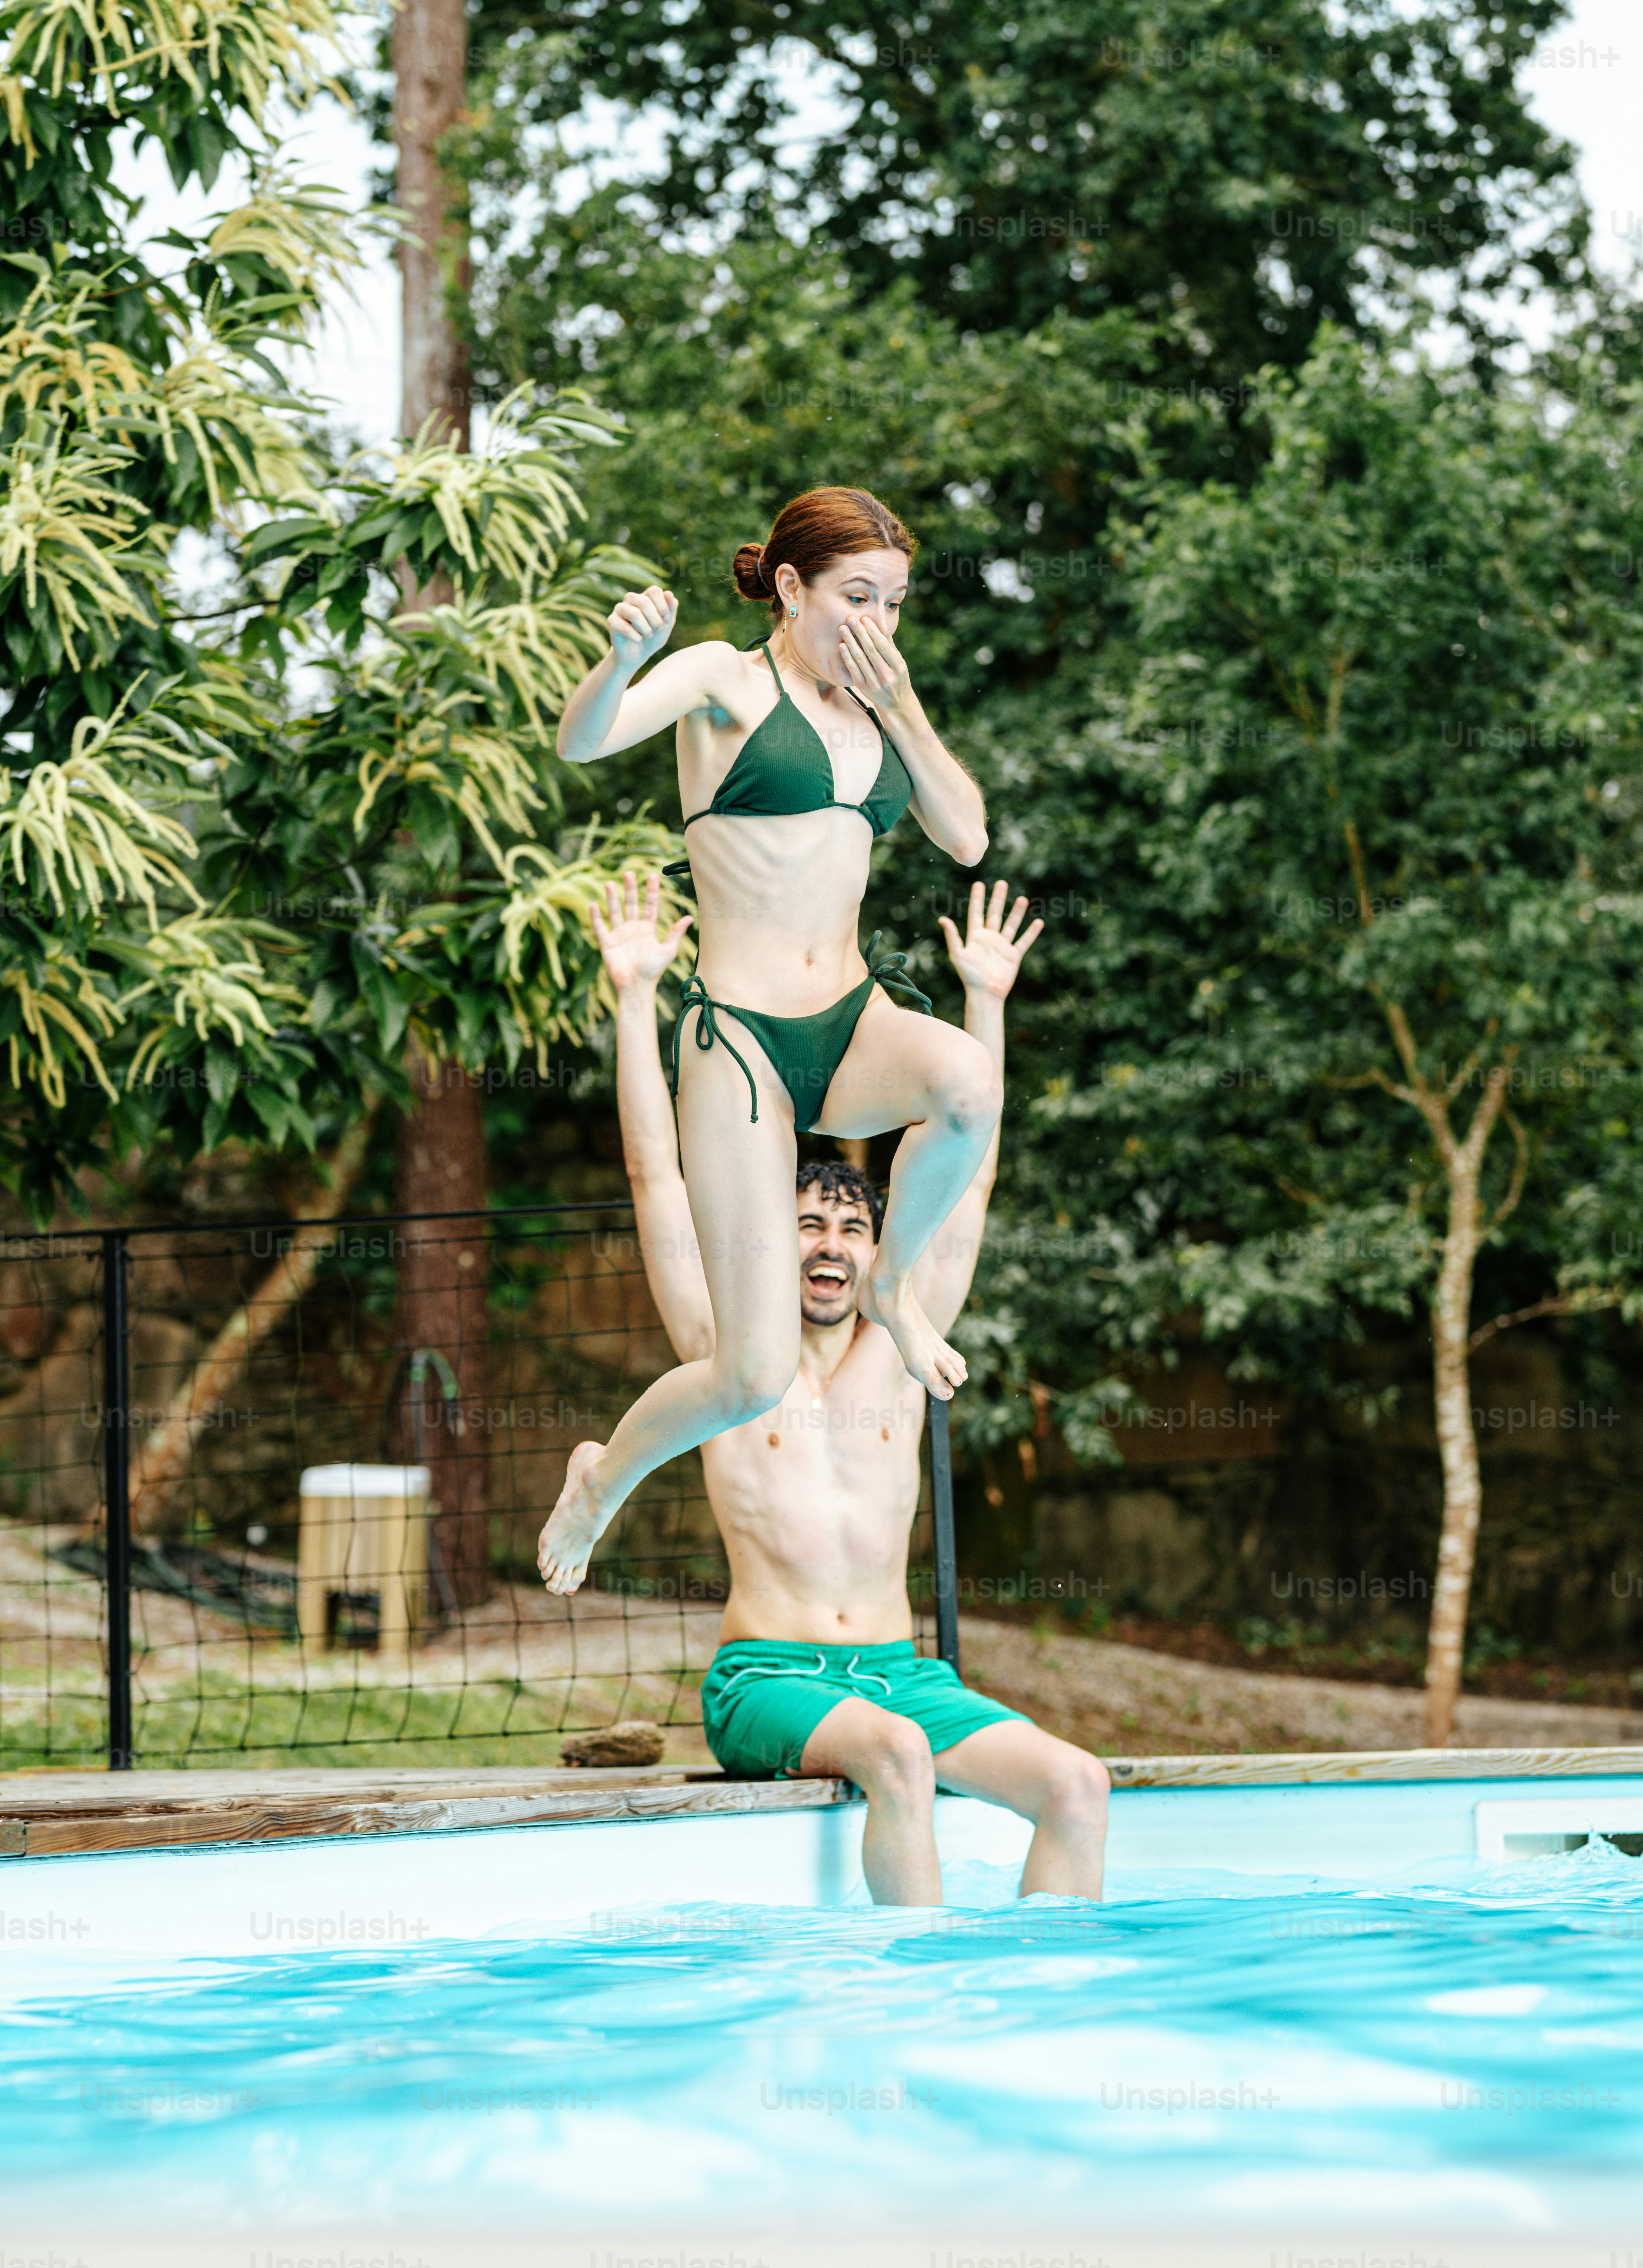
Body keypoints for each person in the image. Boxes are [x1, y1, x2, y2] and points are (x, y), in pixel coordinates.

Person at [562, 868, 1110, 1906]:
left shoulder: (906, 1349)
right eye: (808, 1221)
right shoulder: (729, 1348)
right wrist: (638, 1000)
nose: (832, 1243)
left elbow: (973, 1169)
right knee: (896, 1756)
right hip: (770, 1679)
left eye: (854, 1227)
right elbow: (656, 1176)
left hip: (905, 1680)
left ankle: (1045, 2012)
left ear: (876, 1252)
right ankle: (914, 2004)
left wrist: (985, 1002)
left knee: (1078, 1786)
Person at [538, 488, 1001, 1595]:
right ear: (791, 589)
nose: (877, 622)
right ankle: (604, 1478)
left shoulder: (881, 709)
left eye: (893, 602)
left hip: (849, 1023)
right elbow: (584, 740)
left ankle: (893, 1290)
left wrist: (909, 711)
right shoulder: (723, 682)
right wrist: (622, 659)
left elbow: (970, 835)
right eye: (856, 597)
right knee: (746, 1376)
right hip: (741, 1038)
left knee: (966, 1085)